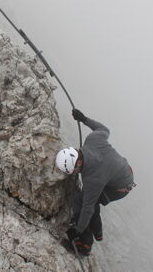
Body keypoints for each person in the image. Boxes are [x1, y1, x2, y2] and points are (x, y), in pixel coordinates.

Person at [55, 108, 135, 257]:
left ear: (77, 164)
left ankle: (84, 246)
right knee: (89, 200)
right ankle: (98, 232)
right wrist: (84, 119)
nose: (72, 174)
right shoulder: (92, 140)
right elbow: (104, 129)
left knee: (79, 201)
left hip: (120, 187)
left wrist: (77, 230)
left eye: (71, 172)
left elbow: (87, 208)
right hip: (123, 169)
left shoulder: (93, 179)